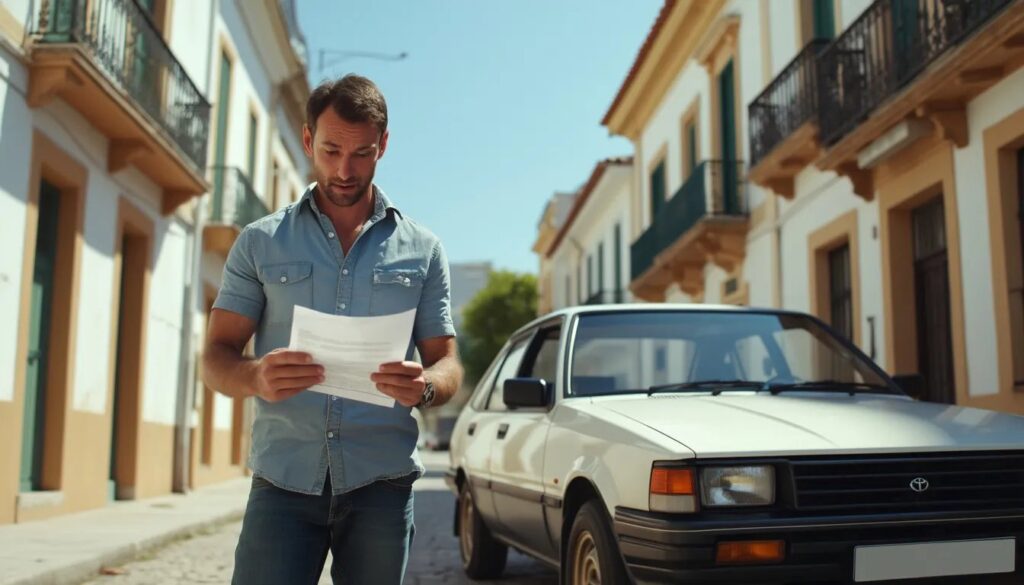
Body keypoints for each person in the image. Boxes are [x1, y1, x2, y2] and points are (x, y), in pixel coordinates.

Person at [200, 74, 463, 585]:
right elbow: (216, 355)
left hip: (382, 485)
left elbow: (447, 361)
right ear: (307, 141)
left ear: (383, 144)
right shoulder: (259, 242)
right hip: (283, 480)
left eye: (362, 153)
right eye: (331, 150)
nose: (345, 170)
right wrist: (254, 376)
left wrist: (426, 385)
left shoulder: (424, 250)